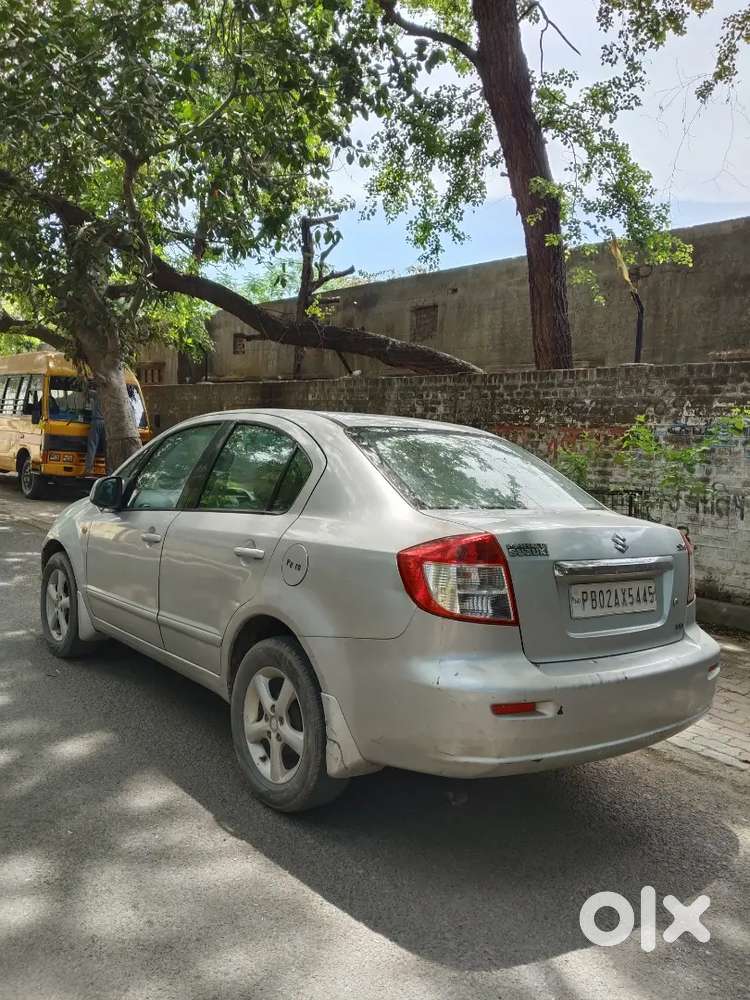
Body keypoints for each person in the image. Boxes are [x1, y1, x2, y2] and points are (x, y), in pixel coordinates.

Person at [84, 387, 105, 476]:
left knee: (92, 446)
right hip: (107, 423)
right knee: (107, 448)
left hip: (96, 421)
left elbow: (86, 392)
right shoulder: (110, 396)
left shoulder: (97, 394)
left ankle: (88, 470)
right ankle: (110, 471)